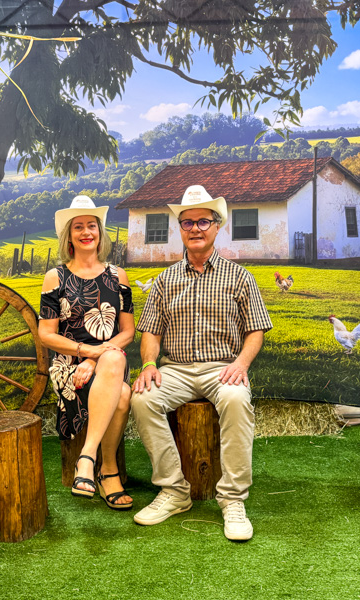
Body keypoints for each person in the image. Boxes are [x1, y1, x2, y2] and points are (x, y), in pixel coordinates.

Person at [131, 185, 272, 540]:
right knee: (142, 399)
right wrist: (149, 364)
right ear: (180, 228)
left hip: (222, 368)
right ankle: (174, 491)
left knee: (237, 399)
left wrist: (241, 364)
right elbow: (151, 332)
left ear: (217, 226)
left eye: (203, 221)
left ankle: (233, 499)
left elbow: (256, 330)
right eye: (188, 222)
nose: (195, 228)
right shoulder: (165, 280)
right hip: (175, 369)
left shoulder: (240, 277)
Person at [39, 195, 135, 510]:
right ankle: (108, 471)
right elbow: (46, 334)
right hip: (69, 366)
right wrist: (87, 352)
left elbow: (127, 332)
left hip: (109, 361)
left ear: (100, 232)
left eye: (91, 225)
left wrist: (95, 359)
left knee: (114, 361)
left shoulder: (118, 276)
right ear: (69, 235)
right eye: (78, 227)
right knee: (122, 394)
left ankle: (87, 458)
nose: (86, 232)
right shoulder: (55, 277)